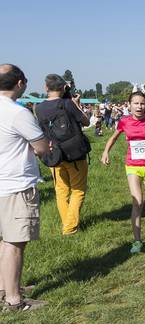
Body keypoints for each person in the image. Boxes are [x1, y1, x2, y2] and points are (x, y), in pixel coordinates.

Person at [0, 64, 50, 310]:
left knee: (4, 240)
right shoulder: (19, 113)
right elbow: (42, 148)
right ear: (19, 83)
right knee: (15, 242)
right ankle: (14, 300)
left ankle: (6, 286)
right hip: (15, 183)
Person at [101, 91, 145, 253]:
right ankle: (137, 241)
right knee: (137, 202)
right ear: (129, 105)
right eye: (136, 103)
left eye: (142, 103)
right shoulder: (124, 121)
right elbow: (113, 138)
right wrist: (105, 152)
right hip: (133, 166)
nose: (139, 106)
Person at [33, 74, 90, 235]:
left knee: (61, 190)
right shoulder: (67, 103)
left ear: (46, 88)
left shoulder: (39, 108)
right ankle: (69, 228)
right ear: (64, 88)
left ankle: (68, 224)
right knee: (78, 190)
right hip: (74, 153)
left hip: (54, 154)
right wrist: (76, 104)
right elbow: (85, 121)